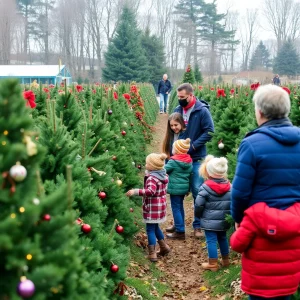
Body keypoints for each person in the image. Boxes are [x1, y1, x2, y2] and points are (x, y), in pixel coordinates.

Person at [231, 84, 300, 228]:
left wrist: (239, 218)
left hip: (261, 226)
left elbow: (240, 192)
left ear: (260, 112)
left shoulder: (251, 144)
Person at [230, 202, 300, 300]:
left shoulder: (253, 214)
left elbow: (237, 245)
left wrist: (238, 229)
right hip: (286, 284)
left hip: (257, 284)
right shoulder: (298, 213)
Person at [174, 83, 214, 238]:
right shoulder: (177, 110)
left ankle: (198, 225)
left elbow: (210, 131)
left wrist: (193, 146)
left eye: (182, 97)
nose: (180, 100)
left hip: (196, 157)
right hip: (179, 158)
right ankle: (178, 225)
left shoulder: (201, 110)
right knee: (178, 190)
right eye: (178, 97)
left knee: (197, 190)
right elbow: (173, 130)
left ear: (191, 95)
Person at [126, 153, 170, 262]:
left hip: (152, 206)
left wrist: (135, 191)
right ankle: (164, 247)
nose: (145, 165)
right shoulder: (163, 175)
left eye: (147, 163)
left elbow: (150, 191)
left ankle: (152, 253)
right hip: (161, 205)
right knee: (155, 227)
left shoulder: (152, 178)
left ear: (152, 166)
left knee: (150, 229)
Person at [195, 155, 231, 272]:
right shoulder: (230, 186)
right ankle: (226, 260)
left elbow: (199, 204)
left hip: (209, 220)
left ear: (209, 172)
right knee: (223, 238)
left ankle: (213, 263)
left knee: (211, 240)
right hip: (224, 219)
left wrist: (198, 215)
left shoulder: (205, 187)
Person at [164, 138, 193, 240]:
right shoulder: (189, 161)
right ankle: (178, 225)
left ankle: (180, 231)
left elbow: (164, 170)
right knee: (180, 207)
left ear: (177, 150)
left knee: (176, 208)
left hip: (175, 188)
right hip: (184, 188)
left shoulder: (173, 161)